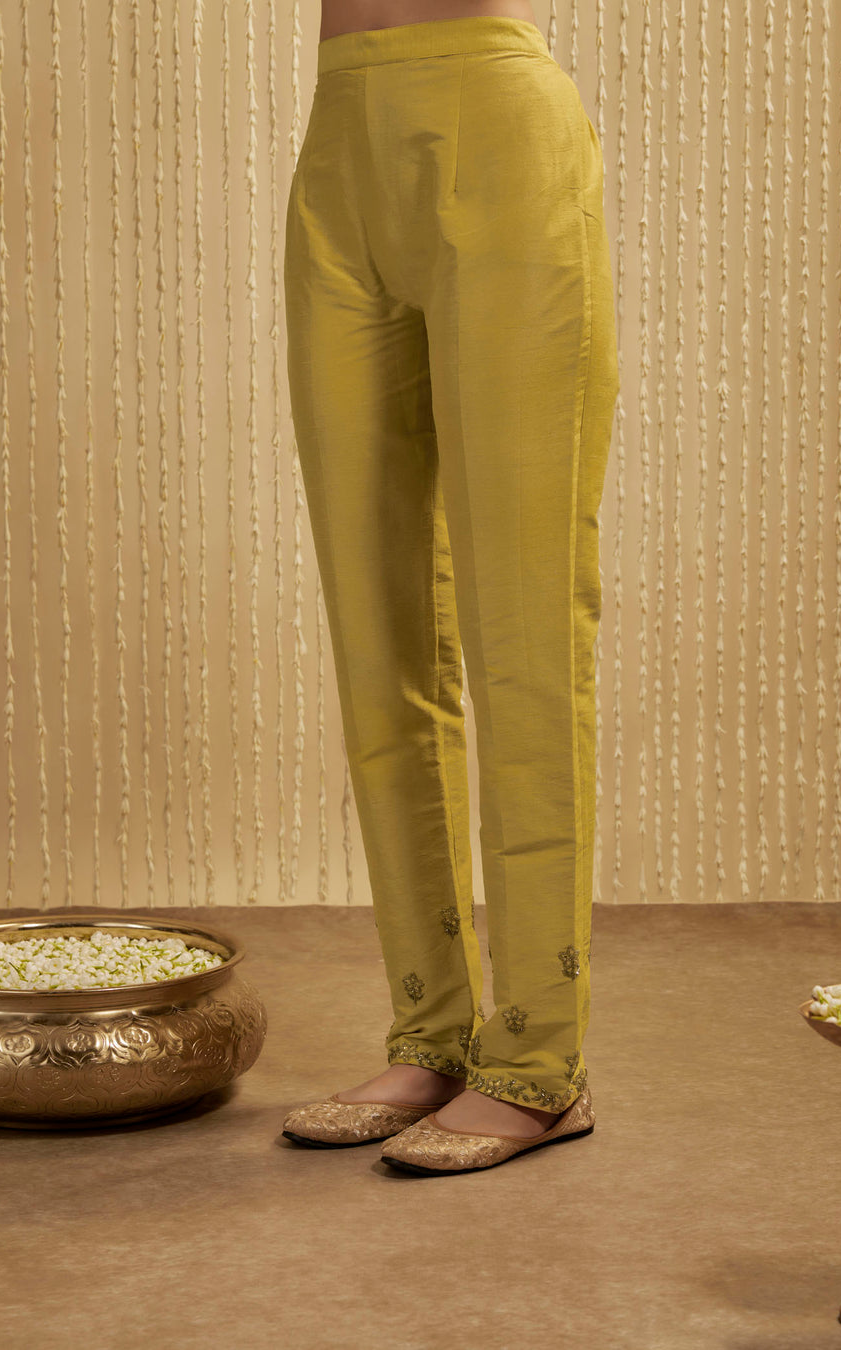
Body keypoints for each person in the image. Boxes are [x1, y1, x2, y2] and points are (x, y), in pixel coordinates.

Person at [281, 0, 620, 1175]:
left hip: (497, 122)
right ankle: (430, 1034)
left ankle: (538, 1059)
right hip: (341, 138)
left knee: (524, 620)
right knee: (375, 624)